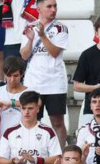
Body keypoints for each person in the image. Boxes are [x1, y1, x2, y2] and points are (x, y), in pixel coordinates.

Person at [20, 0, 69, 145]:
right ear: (39, 8)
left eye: (55, 6)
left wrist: (42, 35)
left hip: (55, 83)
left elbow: (54, 52)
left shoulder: (61, 28)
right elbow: (24, 55)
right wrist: (30, 40)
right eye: (49, 6)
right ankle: (34, 152)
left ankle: (60, 157)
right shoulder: (29, 26)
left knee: (57, 121)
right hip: (33, 83)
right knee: (32, 121)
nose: (53, 10)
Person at [0, 57, 27, 148]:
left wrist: (11, 103)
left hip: (23, 144)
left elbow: (34, 106)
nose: (12, 79)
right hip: (1, 145)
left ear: (22, 74)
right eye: (9, 75)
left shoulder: (29, 93)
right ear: (4, 74)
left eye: (15, 75)